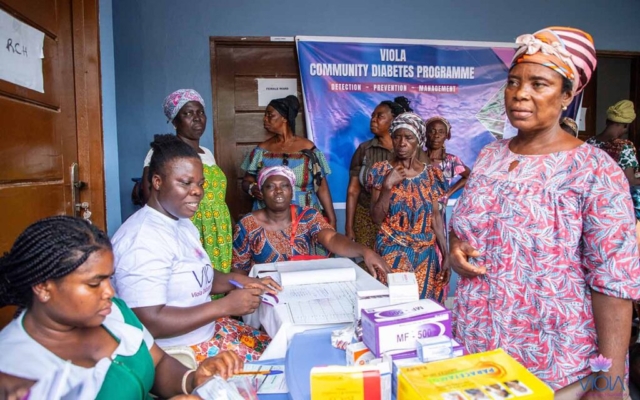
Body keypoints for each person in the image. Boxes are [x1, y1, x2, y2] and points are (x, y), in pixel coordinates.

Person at [449, 26, 640, 396]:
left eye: (539, 84)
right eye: (514, 82)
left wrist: (610, 381)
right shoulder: (490, 156)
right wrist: (458, 250)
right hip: (479, 346)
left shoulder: (594, 170)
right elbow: (466, 228)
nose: (520, 94)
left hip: (553, 359)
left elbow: (613, 284)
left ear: (568, 95)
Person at [0, 216, 244, 399]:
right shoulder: (15, 370)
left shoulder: (112, 312)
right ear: (43, 287)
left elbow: (158, 363)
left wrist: (191, 379)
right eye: (95, 283)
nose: (110, 292)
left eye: (109, 278)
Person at [112, 135, 281, 364]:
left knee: (279, 346)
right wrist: (224, 306)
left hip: (206, 332)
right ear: (157, 182)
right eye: (185, 183)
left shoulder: (181, 223)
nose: (197, 192)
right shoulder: (143, 239)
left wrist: (243, 281)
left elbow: (201, 277)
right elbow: (148, 322)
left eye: (200, 184)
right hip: (177, 354)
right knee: (274, 366)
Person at [233, 166, 390, 278]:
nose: (279, 191)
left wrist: (364, 251)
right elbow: (239, 270)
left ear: (291, 191)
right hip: (267, 294)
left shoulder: (308, 215)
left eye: (284, 186)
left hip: (304, 286)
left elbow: (331, 238)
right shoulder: (247, 225)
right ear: (261, 192)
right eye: (271, 187)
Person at [141, 89, 233, 278]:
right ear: (175, 121)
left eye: (200, 112)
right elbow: (148, 192)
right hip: (190, 226)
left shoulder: (207, 153)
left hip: (218, 229)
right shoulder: (164, 152)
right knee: (194, 279)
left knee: (218, 278)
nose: (197, 118)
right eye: (188, 113)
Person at [368, 112, 450, 301]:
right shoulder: (381, 170)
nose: (402, 143)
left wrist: (446, 255)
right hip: (391, 250)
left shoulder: (432, 175)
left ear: (418, 141)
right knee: (396, 307)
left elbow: (436, 218)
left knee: (422, 309)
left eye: (408, 137)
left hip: (425, 255)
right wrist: (388, 186)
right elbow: (376, 218)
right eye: (397, 137)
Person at [241, 95, 337, 229]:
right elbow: (246, 181)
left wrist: (332, 219)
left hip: (304, 216)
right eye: (265, 115)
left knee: (305, 250)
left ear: (285, 118)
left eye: (270, 115)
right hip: (269, 217)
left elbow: (321, 186)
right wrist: (252, 188)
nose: (265, 119)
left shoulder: (308, 149)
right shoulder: (261, 150)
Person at [345, 97, 410, 248]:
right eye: (372, 116)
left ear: (394, 121)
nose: (373, 120)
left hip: (399, 219)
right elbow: (353, 191)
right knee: (367, 265)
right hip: (366, 217)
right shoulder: (364, 149)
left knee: (396, 264)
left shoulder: (408, 151)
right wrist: (349, 227)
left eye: (379, 116)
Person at [424, 116, 471, 203]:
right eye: (432, 131)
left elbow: (469, 176)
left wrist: (448, 193)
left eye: (441, 132)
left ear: (447, 136)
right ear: (425, 134)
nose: (436, 135)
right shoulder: (417, 159)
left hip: (438, 209)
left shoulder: (451, 161)